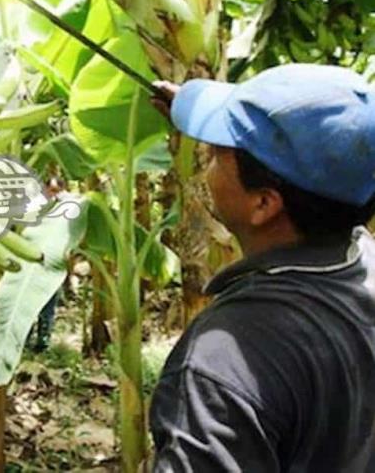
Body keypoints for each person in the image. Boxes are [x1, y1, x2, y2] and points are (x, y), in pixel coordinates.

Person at [149, 64, 375, 472]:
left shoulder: (223, 363)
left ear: (264, 204)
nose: (206, 165)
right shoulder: (361, 256)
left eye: (218, 156)